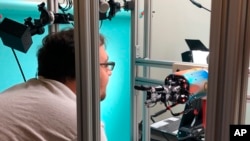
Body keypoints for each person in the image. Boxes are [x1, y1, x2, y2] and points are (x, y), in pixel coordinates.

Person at [0, 28, 114, 141]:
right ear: (85, 71)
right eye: (105, 65)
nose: (110, 72)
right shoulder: (84, 125)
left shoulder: (15, 93)